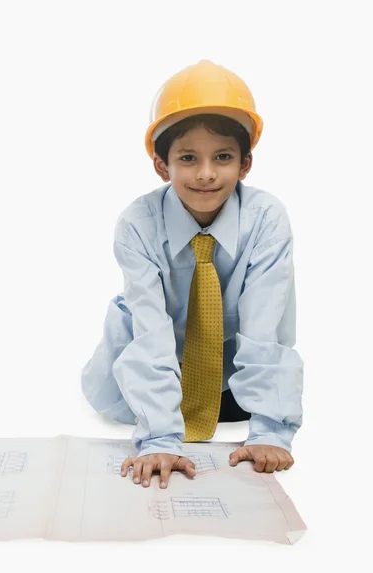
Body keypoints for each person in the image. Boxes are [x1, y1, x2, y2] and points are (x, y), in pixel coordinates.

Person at [80, 60, 304, 489]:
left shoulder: (266, 219)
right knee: (128, 394)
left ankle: (230, 405)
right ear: (162, 167)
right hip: (153, 371)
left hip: (229, 379)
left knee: (248, 376)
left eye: (222, 157)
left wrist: (270, 432)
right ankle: (160, 412)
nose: (205, 172)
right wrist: (160, 438)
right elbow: (149, 330)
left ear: (245, 165)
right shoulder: (137, 224)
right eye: (188, 158)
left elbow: (265, 326)